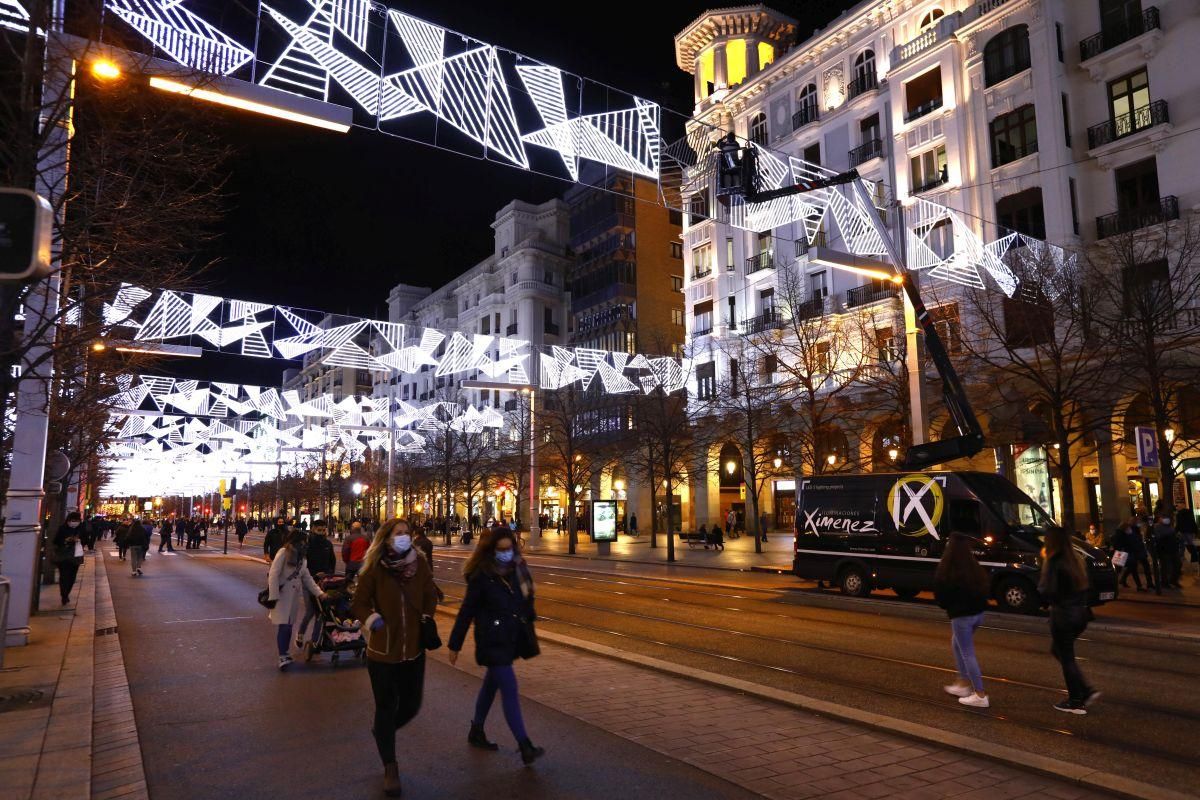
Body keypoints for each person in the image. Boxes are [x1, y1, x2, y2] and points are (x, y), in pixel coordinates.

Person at [351, 519, 439, 797]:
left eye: (406, 534)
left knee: (412, 705)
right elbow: (359, 602)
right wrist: (371, 618)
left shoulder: (419, 563)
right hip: (383, 651)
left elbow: (430, 594)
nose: (404, 538)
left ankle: (382, 732)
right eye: (398, 534)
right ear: (386, 538)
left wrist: (426, 615)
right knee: (386, 706)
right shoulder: (375, 567)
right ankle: (390, 766)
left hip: (413, 649)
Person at [448, 527, 545, 766]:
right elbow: (466, 610)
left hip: (510, 638)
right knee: (509, 687)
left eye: (508, 548)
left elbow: (525, 602)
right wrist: (455, 644)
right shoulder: (482, 575)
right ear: (491, 550)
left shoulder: (517, 570)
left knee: (492, 683)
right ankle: (525, 745)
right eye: (500, 549)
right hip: (491, 640)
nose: (505, 553)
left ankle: (477, 729)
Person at [1039, 527, 1099, 714]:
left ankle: (1076, 700)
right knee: (1059, 651)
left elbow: (1046, 590)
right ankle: (1085, 690)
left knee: (1066, 657)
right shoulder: (1075, 560)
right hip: (1080, 614)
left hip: (1063, 615)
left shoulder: (1054, 561)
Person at [934, 533, 990, 708]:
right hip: (978, 614)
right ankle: (962, 683)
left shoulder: (947, 569)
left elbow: (941, 596)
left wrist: (950, 606)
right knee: (956, 643)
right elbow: (985, 589)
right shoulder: (974, 566)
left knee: (967, 653)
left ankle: (980, 695)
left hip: (961, 616)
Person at [266, 529, 325, 670]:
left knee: (288, 626)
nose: (306, 543)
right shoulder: (283, 553)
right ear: (296, 541)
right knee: (284, 626)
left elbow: (307, 578)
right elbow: (273, 575)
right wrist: (273, 596)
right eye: (304, 541)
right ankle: (282, 656)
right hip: (281, 596)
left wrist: (320, 593)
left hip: (292, 597)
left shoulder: (302, 558)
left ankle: (285, 653)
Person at [297, 521, 336, 652]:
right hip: (309, 581)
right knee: (310, 611)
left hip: (324, 583)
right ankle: (301, 634)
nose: (322, 532)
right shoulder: (307, 545)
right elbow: (302, 564)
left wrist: (328, 574)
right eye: (319, 530)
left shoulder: (328, 544)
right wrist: (313, 574)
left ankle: (314, 642)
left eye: (324, 530)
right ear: (313, 529)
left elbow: (332, 562)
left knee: (321, 613)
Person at [52, 512, 85, 606]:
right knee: (63, 576)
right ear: (68, 520)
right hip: (63, 556)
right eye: (73, 520)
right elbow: (56, 541)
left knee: (72, 577)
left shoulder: (80, 529)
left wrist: (79, 539)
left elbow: (86, 539)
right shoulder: (62, 528)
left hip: (75, 557)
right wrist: (66, 540)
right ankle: (64, 595)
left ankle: (66, 593)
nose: (75, 522)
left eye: (77, 520)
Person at [1113, 518, 1153, 592]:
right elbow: (1119, 544)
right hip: (1123, 554)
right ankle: (1117, 584)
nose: (1129, 529)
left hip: (1128, 554)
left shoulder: (1128, 533)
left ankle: (1136, 585)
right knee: (1121, 570)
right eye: (1128, 527)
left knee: (1131, 569)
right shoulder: (1121, 534)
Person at [1151, 514, 1181, 590]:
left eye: (1167, 518)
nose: (1166, 520)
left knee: (1177, 564)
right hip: (1164, 550)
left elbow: (1174, 535)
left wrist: (1176, 538)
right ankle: (1165, 582)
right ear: (1159, 519)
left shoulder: (1170, 526)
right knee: (1166, 567)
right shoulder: (1157, 527)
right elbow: (1158, 537)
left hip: (1173, 548)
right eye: (1164, 518)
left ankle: (1173, 580)